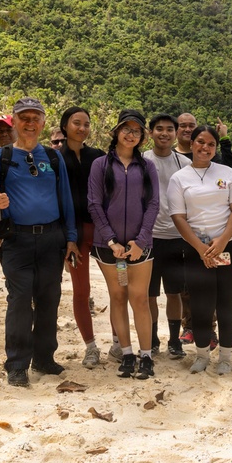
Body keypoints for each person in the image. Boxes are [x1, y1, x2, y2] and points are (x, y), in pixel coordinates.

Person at [0, 97, 78, 387]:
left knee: (50, 300)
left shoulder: (53, 157)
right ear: (14, 121)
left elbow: (66, 200)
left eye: (35, 117)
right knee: (20, 302)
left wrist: (71, 238)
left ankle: (44, 358)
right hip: (17, 240)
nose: (29, 123)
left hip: (52, 238)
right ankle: (16, 364)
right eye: (23, 117)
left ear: (43, 122)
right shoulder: (0, 157)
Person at [168, 125, 232, 375]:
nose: (206, 148)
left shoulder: (227, 173)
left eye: (211, 144)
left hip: (231, 245)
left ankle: (225, 356)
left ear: (216, 148)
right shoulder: (179, 178)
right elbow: (178, 217)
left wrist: (222, 241)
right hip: (196, 249)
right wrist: (201, 248)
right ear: (191, 144)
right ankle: (201, 354)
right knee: (201, 305)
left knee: (227, 303)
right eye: (201, 142)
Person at [87, 109, 160, 379]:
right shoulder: (100, 165)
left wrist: (141, 240)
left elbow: (153, 204)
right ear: (116, 131)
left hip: (141, 247)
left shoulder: (147, 167)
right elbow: (94, 204)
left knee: (140, 299)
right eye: (126, 129)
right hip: (108, 248)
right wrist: (110, 240)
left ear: (142, 137)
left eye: (137, 131)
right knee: (117, 298)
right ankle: (127, 354)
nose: (131, 134)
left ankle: (146, 355)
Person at [173, 112, 232, 344]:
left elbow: (227, 171)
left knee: (214, 285)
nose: (188, 129)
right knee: (188, 286)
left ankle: (210, 330)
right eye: (183, 126)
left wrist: (225, 139)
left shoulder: (211, 158)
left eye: (192, 125)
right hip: (184, 233)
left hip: (216, 236)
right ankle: (189, 327)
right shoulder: (172, 157)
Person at [58, 106, 106, 368]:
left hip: (99, 231)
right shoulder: (54, 158)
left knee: (117, 288)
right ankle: (90, 347)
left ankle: (121, 344)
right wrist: (68, 237)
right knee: (81, 291)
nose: (82, 128)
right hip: (72, 236)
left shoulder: (98, 156)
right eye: (77, 123)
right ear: (65, 126)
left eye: (86, 124)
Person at [143, 113, 190, 359]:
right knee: (150, 294)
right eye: (159, 129)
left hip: (176, 237)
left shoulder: (183, 162)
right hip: (148, 239)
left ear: (175, 133)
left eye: (169, 129)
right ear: (150, 133)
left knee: (174, 292)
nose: (164, 133)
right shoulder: (141, 160)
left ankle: (174, 340)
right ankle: (151, 340)